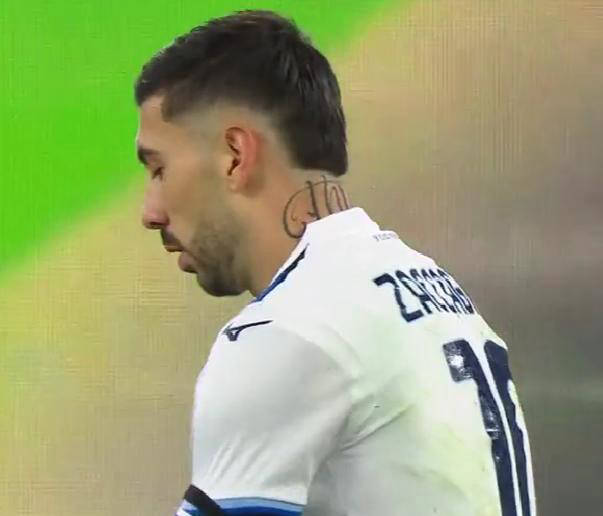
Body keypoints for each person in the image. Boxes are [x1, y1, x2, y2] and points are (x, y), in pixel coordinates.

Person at [133, 9, 536, 516]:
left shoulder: (287, 331)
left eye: (159, 169)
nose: (150, 213)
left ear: (234, 155)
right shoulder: (432, 287)